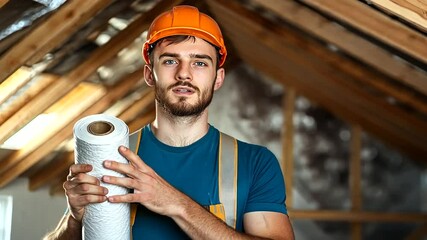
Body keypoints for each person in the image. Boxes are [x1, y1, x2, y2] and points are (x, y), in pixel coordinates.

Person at [44, 5, 294, 240]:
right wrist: (75, 220)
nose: (184, 73)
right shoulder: (112, 157)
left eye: (199, 62)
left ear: (218, 78)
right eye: (170, 61)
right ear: (149, 74)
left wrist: (176, 204)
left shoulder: (255, 163)